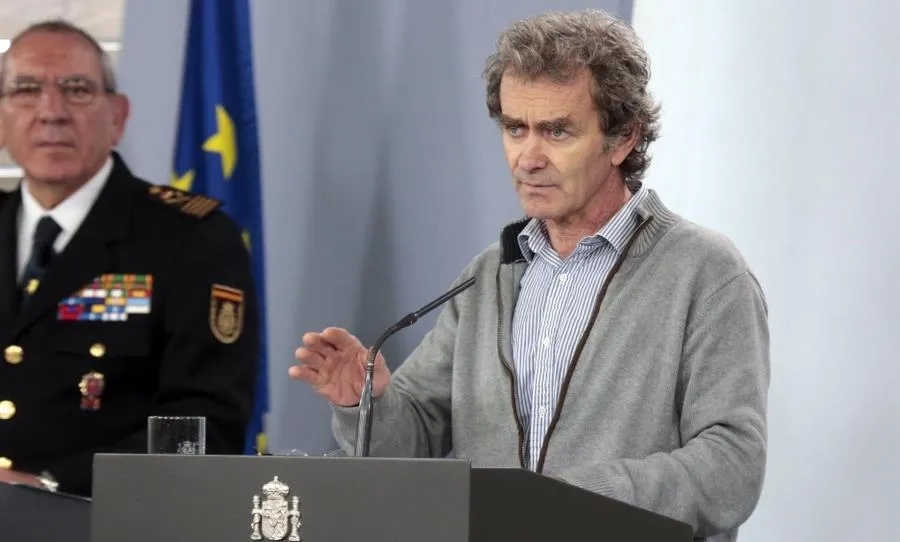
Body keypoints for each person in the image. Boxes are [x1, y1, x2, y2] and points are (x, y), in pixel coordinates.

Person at [290, 8, 768, 542]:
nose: (528, 157)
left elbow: (731, 466)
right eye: (515, 128)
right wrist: (366, 402)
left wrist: (569, 501)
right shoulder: (490, 274)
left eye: (557, 131)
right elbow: (414, 442)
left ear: (624, 139)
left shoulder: (705, 272)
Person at [0, 20, 259, 497]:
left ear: (117, 117)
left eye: (76, 89)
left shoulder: (192, 239)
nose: (50, 111)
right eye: (26, 90)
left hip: (106, 519)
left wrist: (49, 486)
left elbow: (206, 426)